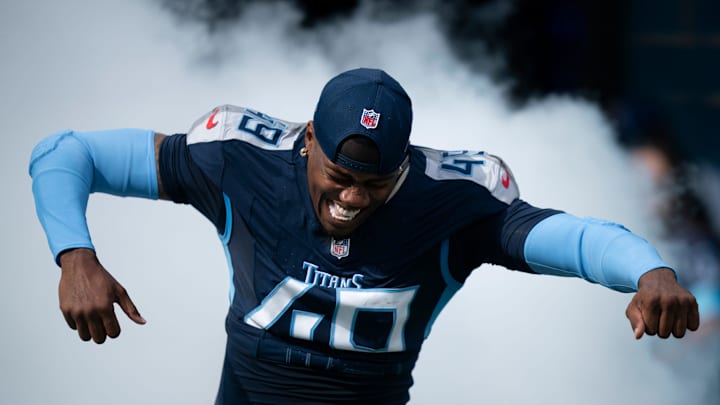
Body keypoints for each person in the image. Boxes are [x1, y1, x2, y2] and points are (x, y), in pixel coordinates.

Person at [30, 68, 699, 404]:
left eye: (374, 183)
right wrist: (76, 254)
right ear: (308, 138)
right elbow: (64, 153)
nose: (352, 198)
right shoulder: (236, 157)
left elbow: (570, 238)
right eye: (340, 176)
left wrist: (649, 270)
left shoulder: (451, 200)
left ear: (404, 162)